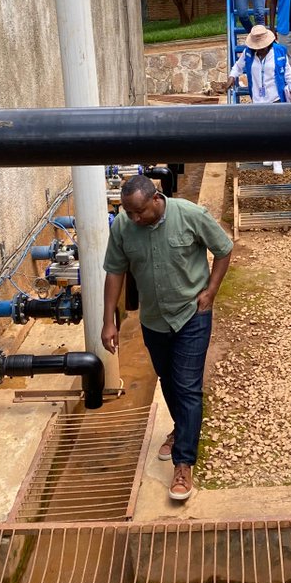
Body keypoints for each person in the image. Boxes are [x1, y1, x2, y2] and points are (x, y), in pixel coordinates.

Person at [102, 173, 233, 503]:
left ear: (156, 199)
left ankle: (183, 463)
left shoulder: (190, 215)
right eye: (129, 213)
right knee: (168, 380)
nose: (135, 218)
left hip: (192, 314)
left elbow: (224, 248)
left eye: (140, 212)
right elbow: (115, 271)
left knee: (188, 386)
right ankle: (180, 430)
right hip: (154, 320)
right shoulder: (123, 226)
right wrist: (109, 322)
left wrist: (212, 291)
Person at [226, 23, 291, 104]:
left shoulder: (279, 52)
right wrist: (232, 76)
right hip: (257, 99)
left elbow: (287, 71)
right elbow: (238, 66)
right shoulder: (248, 53)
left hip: (276, 98)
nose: (259, 49)